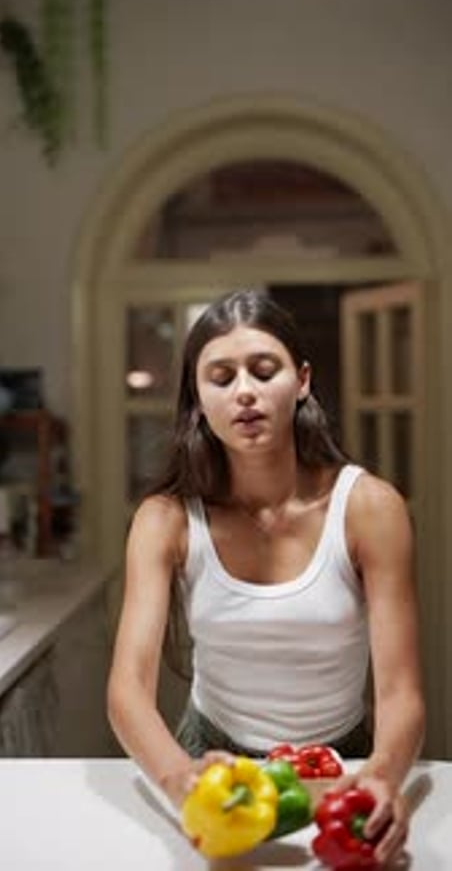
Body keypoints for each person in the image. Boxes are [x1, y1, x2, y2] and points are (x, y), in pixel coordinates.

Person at [107, 288, 425, 866]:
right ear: (197, 400)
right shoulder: (165, 519)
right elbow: (128, 690)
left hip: (343, 760)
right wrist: (180, 780)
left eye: (263, 369)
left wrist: (382, 776)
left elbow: (401, 691)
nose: (245, 392)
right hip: (210, 761)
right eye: (221, 377)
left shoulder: (370, 507)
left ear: (301, 380)